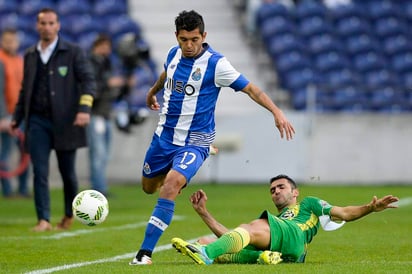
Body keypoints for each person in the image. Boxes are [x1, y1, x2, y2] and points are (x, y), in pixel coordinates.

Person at [130, 10, 295, 265]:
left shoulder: (217, 64)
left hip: (197, 139)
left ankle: (144, 253)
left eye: (194, 39)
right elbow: (166, 75)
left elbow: (251, 89)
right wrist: (152, 93)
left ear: (204, 36)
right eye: (184, 39)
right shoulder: (173, 55)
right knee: (148, 187)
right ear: (177, 37)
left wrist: (276, 111)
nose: (189, 45)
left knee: (172, 184)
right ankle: (176, 174)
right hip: (164, 137)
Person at [171, 174, 399, 265]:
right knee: (207, 240)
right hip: (286, 248)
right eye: (272, 190)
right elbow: (230, 238)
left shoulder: (308, 204)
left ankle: (206, 256)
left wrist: (370, 207)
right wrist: (203, 212)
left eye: (281, 187)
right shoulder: (276, 221)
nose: (276, 191)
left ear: (295, 191)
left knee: (248, 228)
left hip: (295, 236)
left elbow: (345, 213)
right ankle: (264, 256)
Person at [10, 8, 96, 232]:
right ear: (37, 26)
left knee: (68, 173)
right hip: (37, 121)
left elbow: (88, 81)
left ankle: (68, 214)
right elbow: (24, 90)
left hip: (67, 121)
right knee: (39, 170)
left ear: (58, 26)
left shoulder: (73, 52)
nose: (46, 27)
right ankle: (44, 219)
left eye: (51, 23)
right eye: (42, 23)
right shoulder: (30, 54)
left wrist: (84, 109)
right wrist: (17, 117)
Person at [87, 34, 124, 196]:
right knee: (98, 153)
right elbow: (90, 88)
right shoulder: (90, 63)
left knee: (104, 154)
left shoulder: (105, 63)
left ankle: (100, 185)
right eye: (104, 46)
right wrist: (107, 84)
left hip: (105, 113)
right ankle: (98, 188)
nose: (107, 50)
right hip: (95, 113)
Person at [0, 28, 30, 198]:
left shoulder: (20, 60)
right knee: (5, 152)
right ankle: (7, 190)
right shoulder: (0, 60)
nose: (10, 44)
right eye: (7, 41)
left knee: (26, 152)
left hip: (22, 114)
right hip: (8, 116)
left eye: (13, 40)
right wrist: (3, 117)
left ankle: (23, 189)